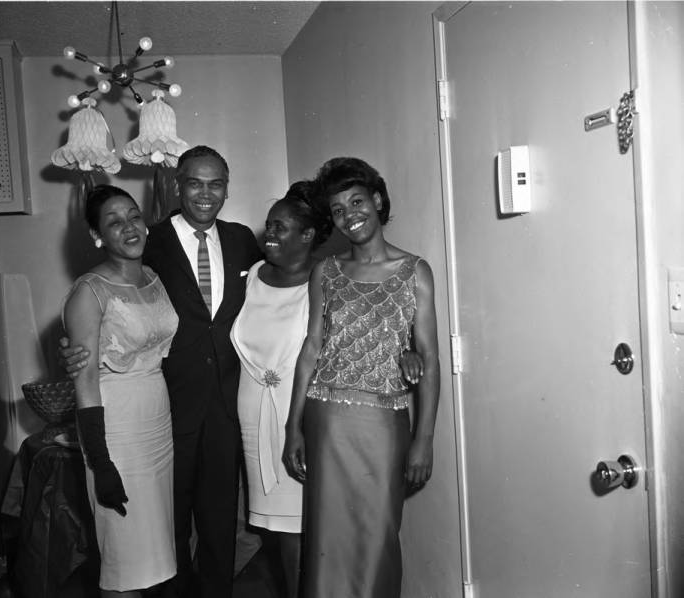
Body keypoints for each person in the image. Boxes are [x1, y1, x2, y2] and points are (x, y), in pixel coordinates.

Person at [60, 146, 262, 598]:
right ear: (176, 185)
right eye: (194, 183)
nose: (205, 194)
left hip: (226, 407)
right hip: (167, 410)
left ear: (227, 188)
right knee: (160, 532)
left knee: (218, 525)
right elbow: (105, 307)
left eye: (216, 184)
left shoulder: (243, 240)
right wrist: (73, 352)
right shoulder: (151, 242)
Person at [283, 157, 441, 598]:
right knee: (326, 542)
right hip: (327, 421)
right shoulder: (326, 272)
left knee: (377, 538)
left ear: (376, 200)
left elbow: (428, 356)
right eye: (337, 209)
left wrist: (424, 438)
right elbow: (312, 348)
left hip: (384, 426)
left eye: (357, 201)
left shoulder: (415, 271)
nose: (349, 214)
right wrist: (293, 426)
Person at [63, 184, 178, 597]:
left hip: (156, 421)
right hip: (117, 427)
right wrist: (101, 461)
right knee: (124, 558)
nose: (129, 227)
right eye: (114, 222)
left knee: (153, 550)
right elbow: (85, 381)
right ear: (97, 236)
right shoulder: (88, 292)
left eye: (133, 216)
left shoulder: (153, 276)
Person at [230, 181, 332, 598]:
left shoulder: (326, 279)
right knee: (273, 527)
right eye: (269, 225)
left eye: (281, 228)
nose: (269, 234)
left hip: (301, 413)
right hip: (253, 411)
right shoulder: (253, 275)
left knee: (301, 528)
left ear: (307, 235)